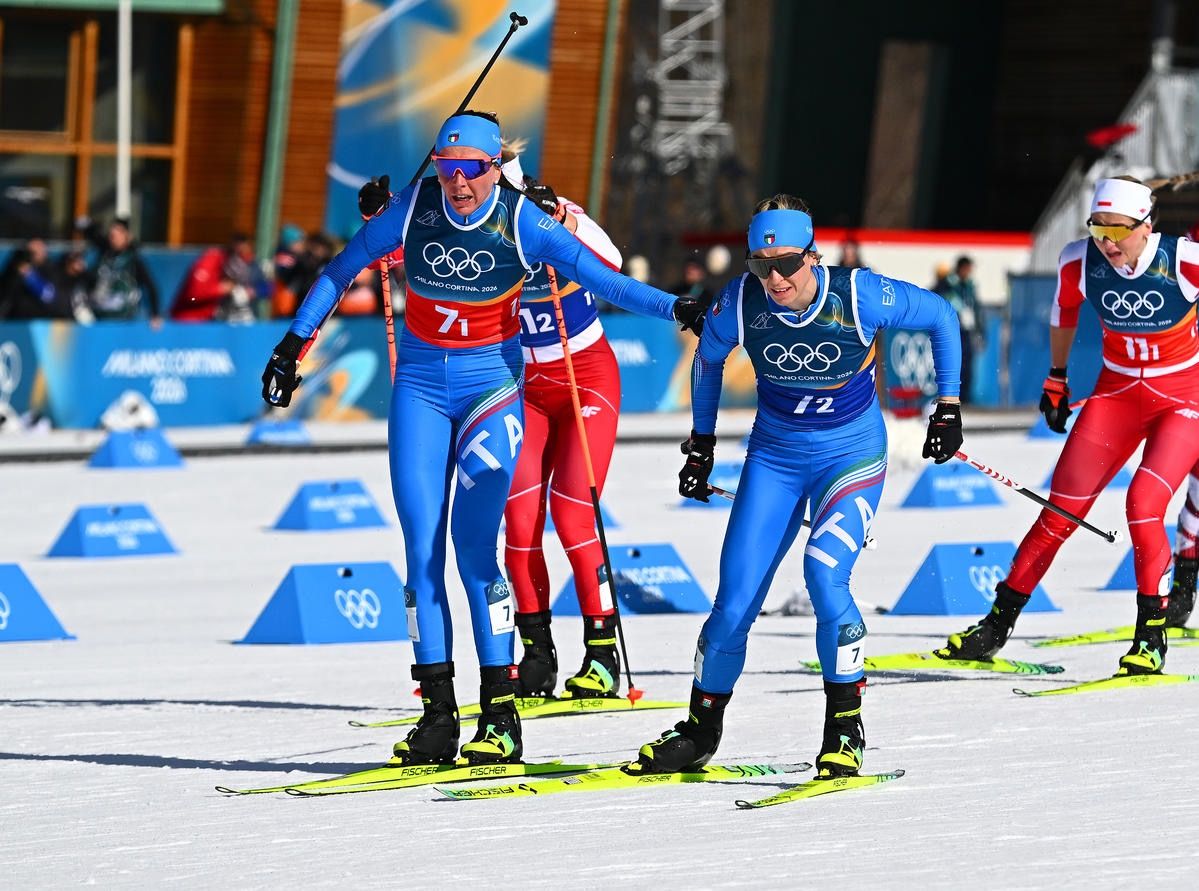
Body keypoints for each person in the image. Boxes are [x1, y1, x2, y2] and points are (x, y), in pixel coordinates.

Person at [263, 110, 708, 767]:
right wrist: (291, 346)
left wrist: (679, 306)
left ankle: (500, 716)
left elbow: (605, 278)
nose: (459, 183)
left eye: (471, 170)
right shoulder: (414, 208)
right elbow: (340, 269)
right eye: (447, 169)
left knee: (475, 551)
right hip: (419, 392)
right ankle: (438, 717)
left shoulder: (523, 220)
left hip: (491, 394)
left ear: (493, 167)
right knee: (420, 555)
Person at [634, 194, 962, 777]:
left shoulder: (858, 295)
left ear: (812, 256)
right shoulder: (741, 300)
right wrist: (702, 443)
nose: (775, 279)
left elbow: (941, 315)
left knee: (824, 575)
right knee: (733, 603)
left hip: (850, 458)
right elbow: (708, 360)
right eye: (761, 266)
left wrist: (949, 406)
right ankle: (701, 730)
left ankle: (845, 729)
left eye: (786, 263)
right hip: (776, 460)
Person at [941, 177, 1199, 676]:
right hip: (1116, 397)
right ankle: (996, 626)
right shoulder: (1078, 260)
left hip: (1182, 401)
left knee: (1143, 503)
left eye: (1118, 231)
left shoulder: (1185, 259)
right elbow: (1063, 312)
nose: (1107, 243)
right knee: (1059, 512)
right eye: (1098, 229)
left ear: (1146, 226)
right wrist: (1056, 378)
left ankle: (1151, 636)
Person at [493, 153, 629, 699]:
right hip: (525, 390)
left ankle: (602, 654)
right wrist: (380, 217)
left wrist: (563, 221)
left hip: (584, 379)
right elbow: (409, 249)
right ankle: (537, 654)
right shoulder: (471, 228)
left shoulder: (546, 210)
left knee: (573, 515)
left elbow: (612, 262)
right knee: (520, 521)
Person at [172, 233, 268, 322]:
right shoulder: (212, 259)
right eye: (239, 252)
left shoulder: (252, 266)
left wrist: (252, 291)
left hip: (217, 320)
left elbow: (268, 288)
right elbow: (194, 294)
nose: (242, 259)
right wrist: (220, 289)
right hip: (188, 321)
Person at [85, 217, 161, 324]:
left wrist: (155, 314)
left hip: (123, 317)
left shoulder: (133, 259)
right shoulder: (105, 254)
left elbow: (150, 287)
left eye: (118, 234)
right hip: (100, 315)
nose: (113, 238)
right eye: (112, 236)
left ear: (127, 236)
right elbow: (92, 235)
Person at [936, 255, 982, 404]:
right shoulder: (948, 283)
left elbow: (976, 308)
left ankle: (966, 397)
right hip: (953, 329)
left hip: (967, 330)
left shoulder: (969, 286)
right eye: (967, 269)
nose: (969, 272)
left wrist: (980, 330)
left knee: (968, 364)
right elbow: (938, 295)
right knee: (955, 363)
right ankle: (953, 396)